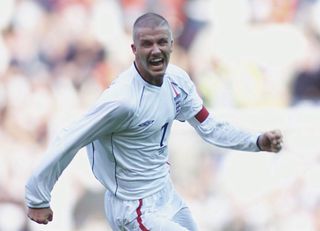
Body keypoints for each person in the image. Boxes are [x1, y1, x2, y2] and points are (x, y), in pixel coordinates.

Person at [25, 12, 283, 231]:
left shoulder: (177, 82)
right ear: (134, 50)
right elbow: (69, 137)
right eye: (147, 44)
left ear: (172, 44)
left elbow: (210, 127)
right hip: (132, 205)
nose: (156, 50)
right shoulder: (123, 101)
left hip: (165, 194)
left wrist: (256, 141)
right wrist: (38, 197)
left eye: (162, 42)